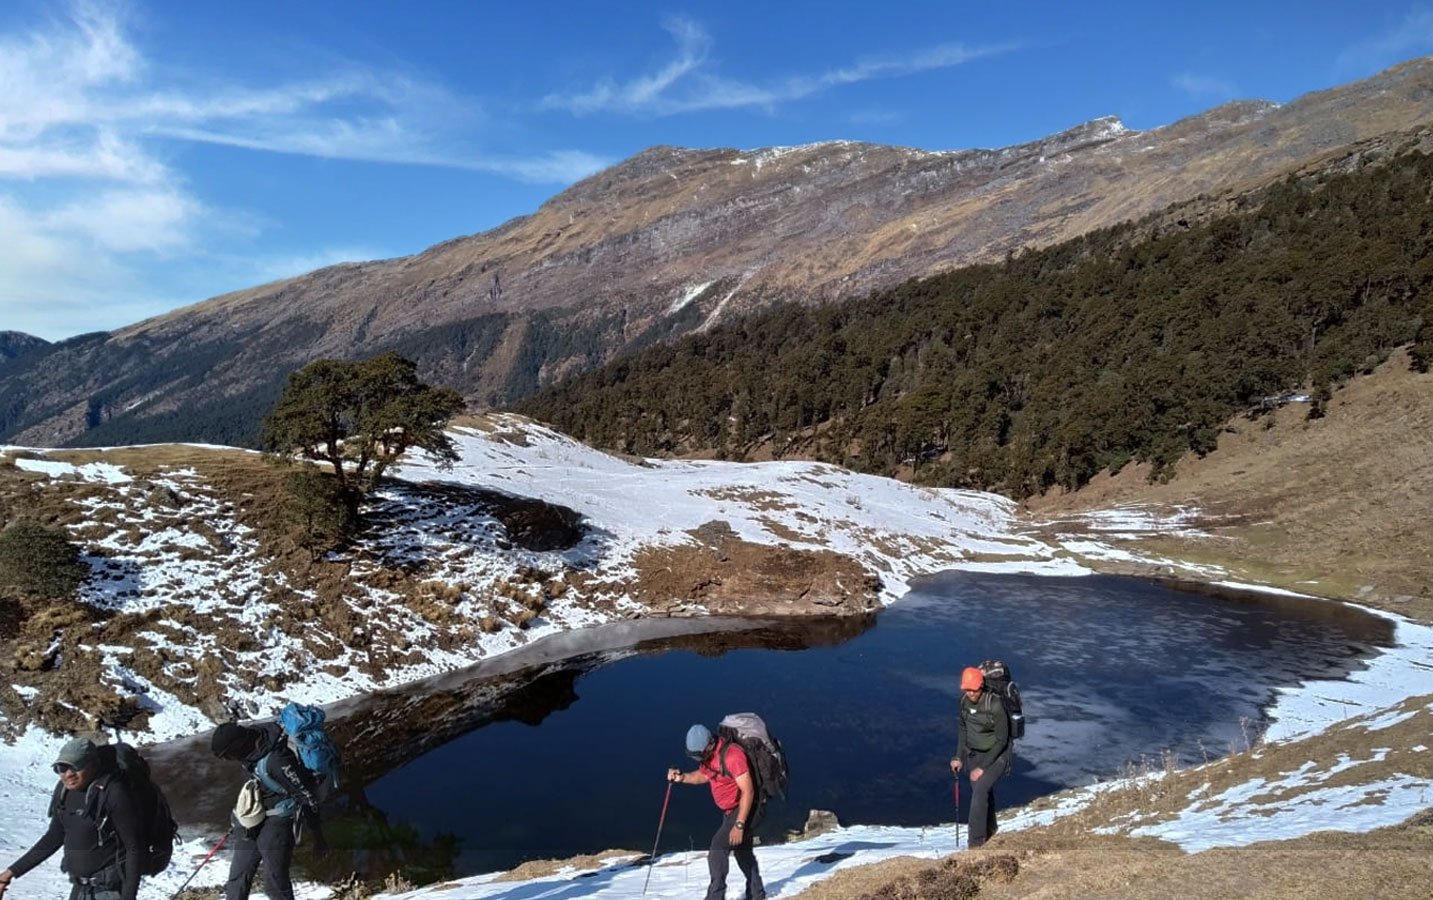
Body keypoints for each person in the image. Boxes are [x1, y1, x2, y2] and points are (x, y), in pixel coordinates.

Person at [0, 737, 144, 900]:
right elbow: (53, 837)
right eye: (61, 768)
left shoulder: (114, 792)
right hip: (80, 890)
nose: (68, 774)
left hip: (109, 891)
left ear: (94, 764)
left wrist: (128, 896)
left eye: (77, 766)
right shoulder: (64, 791)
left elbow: (134, 848)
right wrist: (9, 873)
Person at [211, 721, 327, 900]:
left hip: (279, 817)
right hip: (255, 816)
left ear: (236, 746)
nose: (228, 760)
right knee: (238, 876)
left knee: (274, 881)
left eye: (227, 755)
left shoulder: (277, 760)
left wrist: (317, 834)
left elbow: (305, 795)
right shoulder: (249, 751)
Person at [667, 724, 766, 900]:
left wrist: (739, 824)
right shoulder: (710, 757)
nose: (699, 759)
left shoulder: (733, 756)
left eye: (699, 755)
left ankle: (715, 896)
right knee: (742, 851)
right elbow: (704, 775)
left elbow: (748, 791)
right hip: (732, 811)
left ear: (709, 745)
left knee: (717, 849)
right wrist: (682, 778)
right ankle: (756, 893)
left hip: (746, 808)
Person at [949, 665, 1010, 848]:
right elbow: (963, 730)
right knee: (983, 792)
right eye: (967, 690)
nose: (971, 693)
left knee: (980, 791)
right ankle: (990, 830)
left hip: (998, 756)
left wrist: (982, 768)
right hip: (974, 755)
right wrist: (958, 756)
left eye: (974, 690)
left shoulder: (995, 705)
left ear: (981, 687)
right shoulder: (964, 703)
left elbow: (1002, 740)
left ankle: (975, 844)